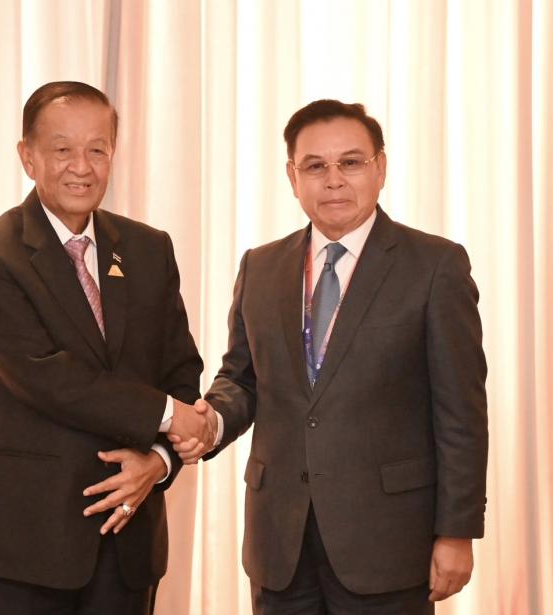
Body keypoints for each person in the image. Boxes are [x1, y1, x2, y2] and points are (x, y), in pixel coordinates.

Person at [172, 99, 488, 614]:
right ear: (292, 177)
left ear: (380, 168)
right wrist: (212, 421)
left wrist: (457, 531)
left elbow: (461, 412)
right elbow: (242, 379)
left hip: (388, 542)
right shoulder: (260, 267)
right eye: (315, 166)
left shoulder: (434, 266)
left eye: (351, 162)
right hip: (280, 542)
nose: (334, 180)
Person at [0, 81, 216, 615]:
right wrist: (170, 416)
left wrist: (160, 461)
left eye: (97, 149)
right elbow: (45, 377)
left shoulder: (148, 248)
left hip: (128, 543)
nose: (82, 167)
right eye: (62, 149)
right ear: (27, 156)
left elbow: (181, 370)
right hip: (24, 546)